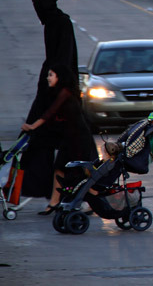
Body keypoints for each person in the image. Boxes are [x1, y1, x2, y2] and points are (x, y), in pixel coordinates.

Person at [21, 0, 80, 199]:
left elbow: (64, 57)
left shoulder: (61, 23)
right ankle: (45, 192)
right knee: (42, 144)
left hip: (58, 83)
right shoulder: (52, 22)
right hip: (52, 79)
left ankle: (75, 195)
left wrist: (55, 82)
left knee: (67, 149)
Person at [21, 63, 98, 215]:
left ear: (59, 77)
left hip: (79, 139)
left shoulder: (65, 93)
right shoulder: (58, 92)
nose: (48, 78)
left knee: (83, 169)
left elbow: (50, 113)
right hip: (69, 138)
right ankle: (54, 202)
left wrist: (33, 126)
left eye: (51, 75)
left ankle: (95, 199)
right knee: (60, 169)